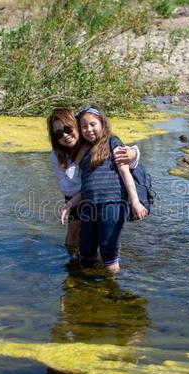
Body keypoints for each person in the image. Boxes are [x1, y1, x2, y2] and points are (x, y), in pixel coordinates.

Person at [62, 105, 148, 273]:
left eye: (93, 124)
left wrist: (135, 202)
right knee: (86, 249)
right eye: (84, 126)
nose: (89, 129)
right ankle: (90, 283)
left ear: (102, 122)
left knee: (108, 249)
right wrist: (70, 204)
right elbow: (86, 188)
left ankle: (111, 289)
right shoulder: (84, 152)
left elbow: (125, 173)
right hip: (89, 206)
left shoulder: (112, 142)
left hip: (112, 204)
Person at [47, 108, 140, 251]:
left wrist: (133, 153)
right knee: (74, 231)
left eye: (68, 129)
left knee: (103, 232)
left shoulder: (91, 139)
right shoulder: (57, 154)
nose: (65, 135)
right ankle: (72, 260)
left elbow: (116, 148)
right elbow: (67, 188)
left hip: (100, 192)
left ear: (77, 125)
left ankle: (104, 258)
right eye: (59, 133)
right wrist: (76, 163)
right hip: (76, 193)